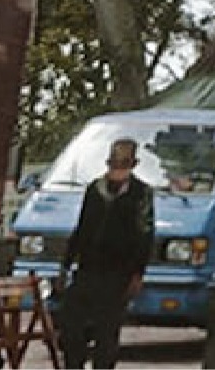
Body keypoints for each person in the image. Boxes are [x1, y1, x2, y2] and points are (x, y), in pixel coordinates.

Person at [52, 136, 159, 370]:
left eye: (123, 163)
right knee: (71, 326)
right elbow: (81, 228)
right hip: (88, 268)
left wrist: (137, 273)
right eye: (114, 162)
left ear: (133, 164)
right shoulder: (95, 189)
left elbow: (144, 234)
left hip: (118, 272)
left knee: (107, 331)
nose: (117, 169)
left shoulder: (141, 194)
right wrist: (66, 264)